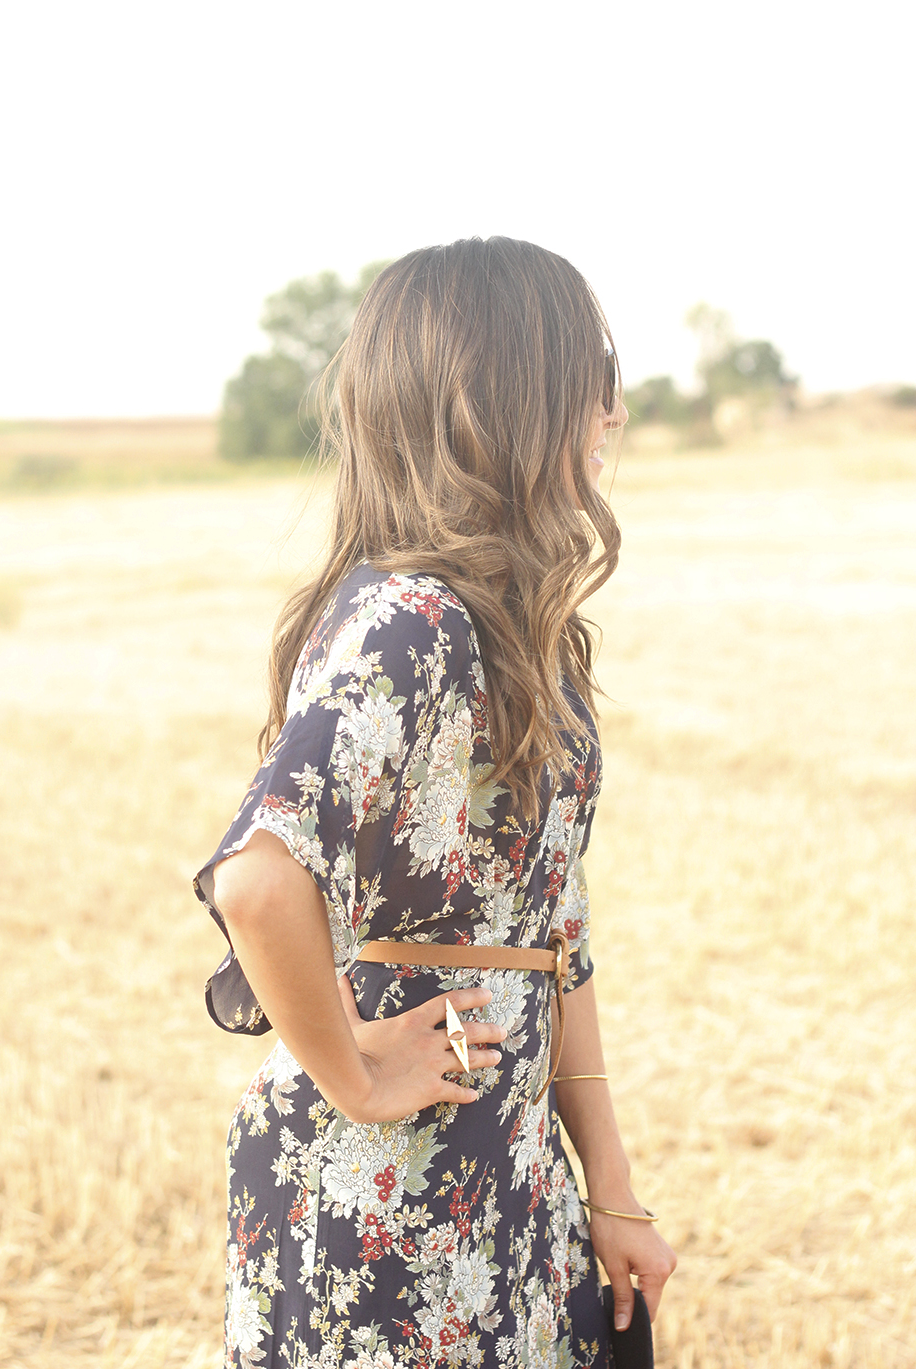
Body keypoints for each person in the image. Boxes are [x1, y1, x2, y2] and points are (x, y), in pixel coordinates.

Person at [194, 237, 677, 1369]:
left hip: (505, 1165)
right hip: (385, 1195)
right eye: (587, 374)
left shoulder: (526, 634)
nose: (612, 408)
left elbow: (555, 939)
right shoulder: (409, 622)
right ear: (502, 399)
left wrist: (610, 1185)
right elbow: (258, 880)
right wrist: (355, 1072)